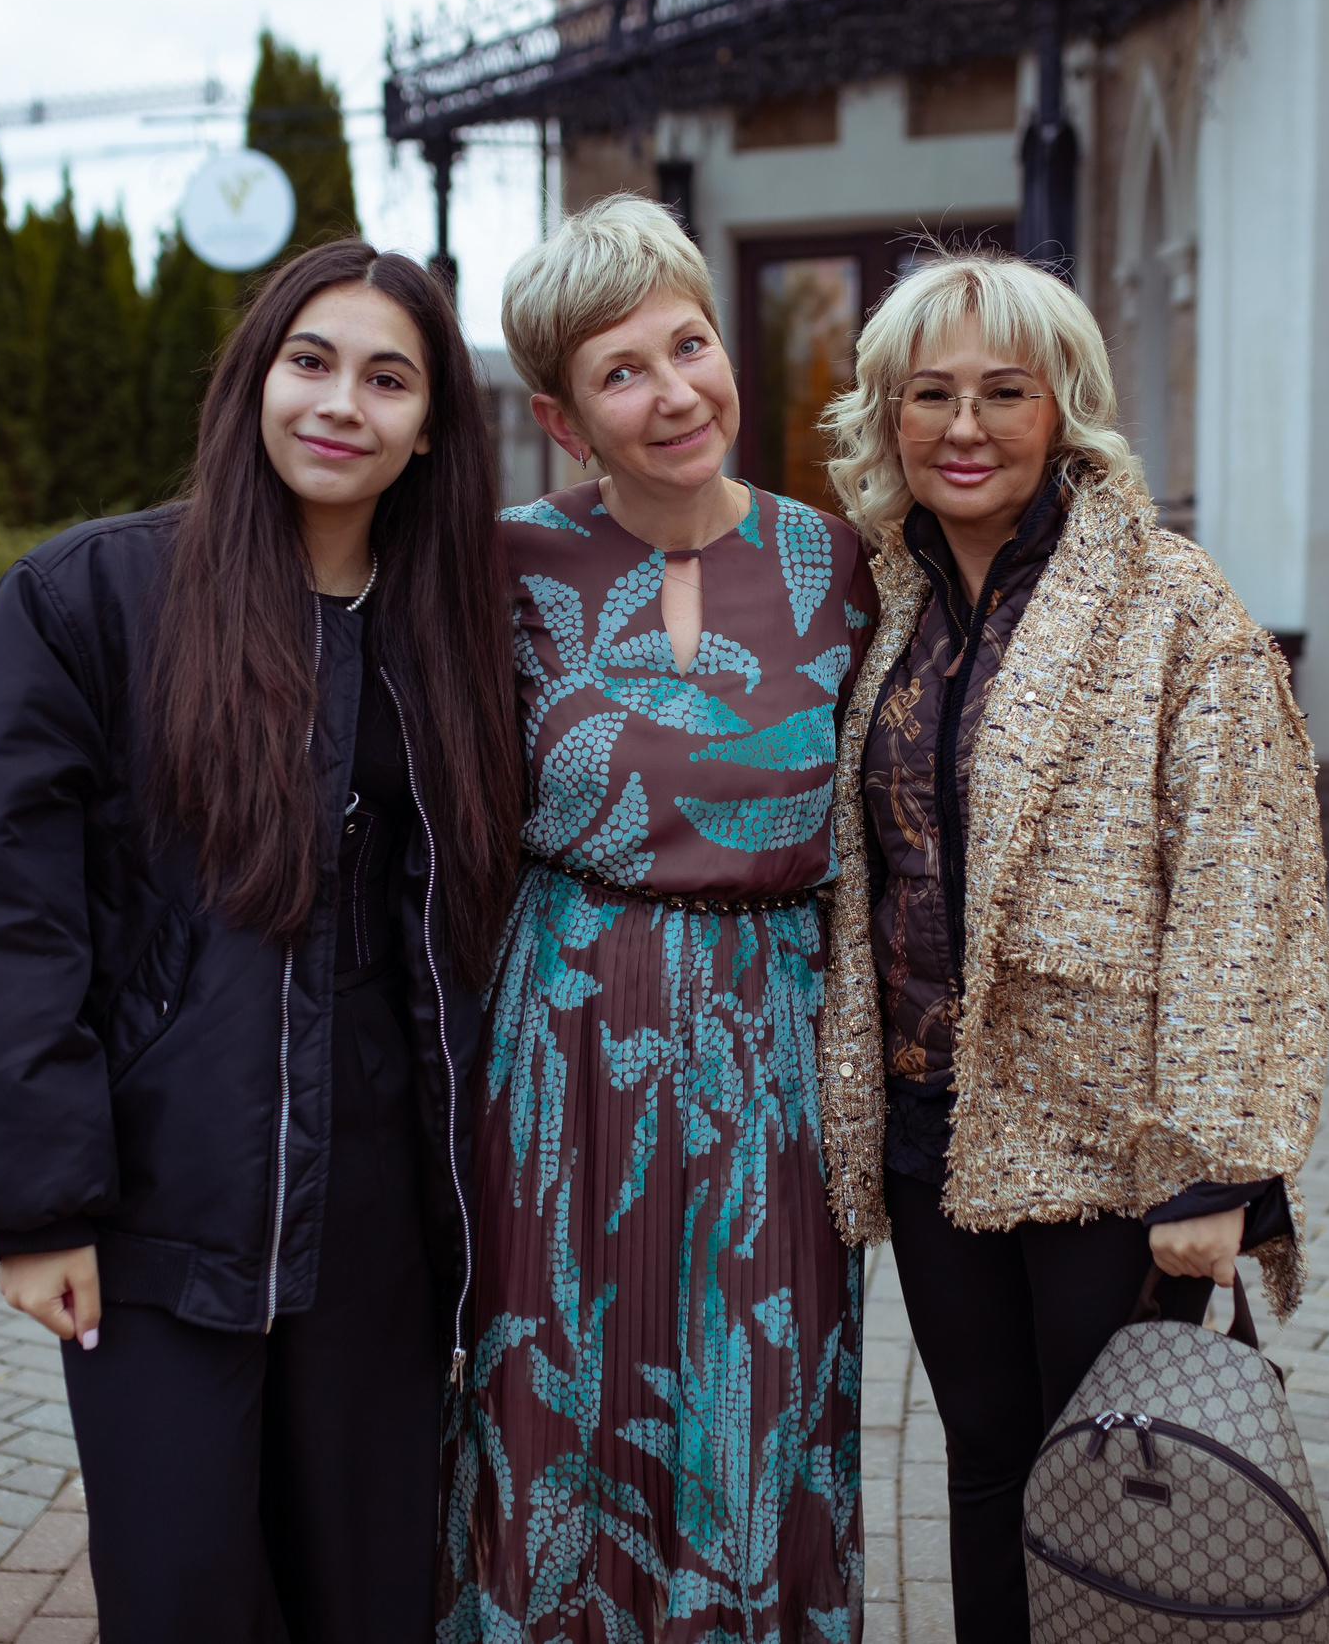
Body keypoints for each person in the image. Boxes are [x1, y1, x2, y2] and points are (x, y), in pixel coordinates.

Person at [0, 239, 522, 1642]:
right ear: (255, 378)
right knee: (183, 1595)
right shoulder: (89, 603)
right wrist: (39, 1202)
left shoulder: (455, 631)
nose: (341, 405)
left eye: (388, 379)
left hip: (382, 1219)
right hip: (163, 1205)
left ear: (431, 430)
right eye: (311, 362)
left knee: (369, 1600)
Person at [813, 250, 1329, 1644]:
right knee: (982, 1463)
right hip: (937, 1135)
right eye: (930, 394)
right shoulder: (891, 610)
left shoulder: (1176, 608)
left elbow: (1248, 892)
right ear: (888, 414)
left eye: (1003, 392)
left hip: (1114, 1145)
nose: (963, 427)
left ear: (1066, 412)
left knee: (1105, 1478)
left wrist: (1223, 1168)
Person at [440, 195, 873, 1642]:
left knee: (761, 1391)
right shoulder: (501, 566)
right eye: (623, 372)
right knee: (559, 1378)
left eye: (688, 344)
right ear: (567, 422)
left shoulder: (850, 567)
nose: (675, 390)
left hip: (776, 1045)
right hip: (564, 1037)